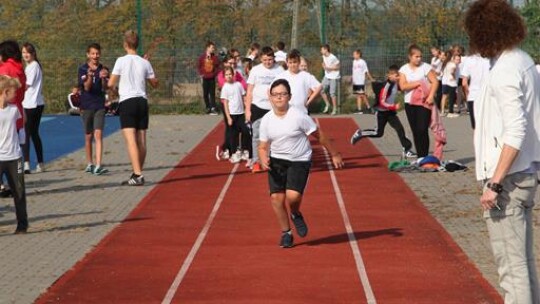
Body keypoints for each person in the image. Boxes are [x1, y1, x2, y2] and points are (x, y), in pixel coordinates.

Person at [465, 1, 540, 303]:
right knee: (522, 263)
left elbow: (516, 129)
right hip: (523, 174)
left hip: (508, 179)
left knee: (511, 268)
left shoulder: (506, 68)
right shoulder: (522, 61)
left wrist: (494, 183)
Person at [258, 79, 344, 248]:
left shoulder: (298, 116)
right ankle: (286, 233)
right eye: (276, 95)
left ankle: (296, 213)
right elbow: (262, 146)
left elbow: (319, 136)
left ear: (289, 97)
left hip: (299, 159)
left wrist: (334, 154)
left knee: (293, 196)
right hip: (277, 160)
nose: (279, 98)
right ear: (271, 97)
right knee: (276, 198)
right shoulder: (266, 120)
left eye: (283, 94)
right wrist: (262, 157)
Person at [108, 30, 158, 186]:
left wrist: (114, 90)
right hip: (142, 101)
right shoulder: (145, 62)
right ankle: (137, 173)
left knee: (131, 140)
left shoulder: (121, 61)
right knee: (141, 140)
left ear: (125, 44)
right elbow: (155, 83)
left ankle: (138, 174)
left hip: (127, 101)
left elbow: (111, 83)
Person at [350, 65, 416, 158]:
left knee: (400, 129)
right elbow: (382, 102)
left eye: (399, 75)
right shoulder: (386, 86)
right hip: (381, 112)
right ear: (390, 76)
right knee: (378, 133)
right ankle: (361, 133)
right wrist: (393, 106)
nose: (398, 77)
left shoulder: (396, 84)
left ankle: (406, 149)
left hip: (390, 113)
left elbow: (405, 87)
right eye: (396, 76)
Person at [245, 46, 284, 173]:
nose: (268, 62)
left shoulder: (279, 70)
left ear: (274, 59)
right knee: (256, 135)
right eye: (265, 60)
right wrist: (248, 110)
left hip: (274, 107)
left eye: (270, 60)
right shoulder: (255, 71)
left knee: (275, 136)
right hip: (258, 107)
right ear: (261, 59)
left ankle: (272, 161)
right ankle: (256, 162)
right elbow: (249, 91)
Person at [398, 44, 439, 158]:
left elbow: (435, 82)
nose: (419, 59)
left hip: (424, 102)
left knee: (422, 128)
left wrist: (431, 96)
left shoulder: (425, 67)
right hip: (410, 103)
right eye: (416, 56)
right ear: (410, 57)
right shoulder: (404, 69)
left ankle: (424, 155)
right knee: (415, 130)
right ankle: (420, 157)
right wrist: (418, 83)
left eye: (420, 56)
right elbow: (403, 86)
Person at [0, 75, 29, 234]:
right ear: (5, 92)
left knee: (19, 191)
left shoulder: (14, 110)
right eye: (13, 93)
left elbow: (22, 121)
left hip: (15, 157)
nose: (16, 96)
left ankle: (22, 225)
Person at [78, 43, 109, 175]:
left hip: (99, 105)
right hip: (86, 105)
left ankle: (98, 164)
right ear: (88, 55)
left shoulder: (104, 69)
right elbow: (86, 88)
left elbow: (105, 88)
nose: (95, 56)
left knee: (98, 134)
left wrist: (103, 79)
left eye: (97, 53)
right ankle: (90, 163)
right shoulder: (82, 69)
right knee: (88, 136)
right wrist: (90, 76)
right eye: (93, 53)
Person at [21, 43, 45, 174]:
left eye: (27, 52)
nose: (25, 55)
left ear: (33, 54)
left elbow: (26, 85)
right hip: (34, 103)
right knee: (34, 133)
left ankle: (26, 164)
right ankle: (40, 163)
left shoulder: (33, 66)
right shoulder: (30, 66)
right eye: (23, 52)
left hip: (31, 104)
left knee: (26, 134)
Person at [274, 49, 322, 114]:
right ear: (287, 63)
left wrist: (309, 101)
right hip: (286, 113)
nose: (293, 65)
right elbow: (270, 91)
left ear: (299, 63)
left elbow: (319, 87)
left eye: (294, 62)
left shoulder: (306, 76)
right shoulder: (281, 76)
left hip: (302, 112)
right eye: (290, 62)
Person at [220, 66, 251, 163]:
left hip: (241, 113)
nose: (228, 76)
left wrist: (247, 110)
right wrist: (228, 117)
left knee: (246, 131)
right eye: (226, 75)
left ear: (234, 75)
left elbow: (244, 97)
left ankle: (245, 150)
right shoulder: (225, 87)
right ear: (224, 76)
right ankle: (233, 153)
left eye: (230, 74)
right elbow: (225, 103)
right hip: (232, 114)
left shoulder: (238, 85)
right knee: (233, 135)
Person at [460, 53, 489, 130]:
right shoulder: (490, 58)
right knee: (488, 125)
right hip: (488, 95)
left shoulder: (469, 60)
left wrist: (467, 94)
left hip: (473, 95)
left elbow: (464, 82)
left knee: (476, 127)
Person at [197, 41, 219, 115]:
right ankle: (208, 107)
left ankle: (213, 107)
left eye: (214, 48)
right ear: (208, 48)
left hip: (212, 78)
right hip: (205, 78)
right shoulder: (202, 57)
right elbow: (199, 66)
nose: (213, 49)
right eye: (212, 47)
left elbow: (217, 67)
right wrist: (201, 74)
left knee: (212, 93)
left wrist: (214, 74)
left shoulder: (215, 57)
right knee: (205, 94)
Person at [351, 49, 375, 114]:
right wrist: (353, 79)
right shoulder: (354, 62)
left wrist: (371, 79)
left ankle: (369, 108)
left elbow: (366, 71)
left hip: (360, 81)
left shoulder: (362, 62)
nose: (353, 55)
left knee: (362, 95)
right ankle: (359, 110)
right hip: (355, 81)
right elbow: (353, 71)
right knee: (358, 95)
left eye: (354, 54)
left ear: (358, 54)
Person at [320, 44, 340, 115]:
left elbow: (338, 67)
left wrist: (329, 68)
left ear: (326, 49)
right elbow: (324, 64)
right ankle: (327, 104)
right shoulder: (323, 56)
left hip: (334, 77)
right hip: (327, 76)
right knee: (320, 90)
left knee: (332, 93)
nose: (321, 51)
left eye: (322, 49)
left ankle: (335, 109)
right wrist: (324, 66)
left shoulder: (333, 57)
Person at [441, 51, 461, 118]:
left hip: (445, 82)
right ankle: (450, 112)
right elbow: (452, 71)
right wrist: (454, 77)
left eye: (459, 59)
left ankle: (442, 111)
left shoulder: (447, 63)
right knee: (451, 98)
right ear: (453, 58)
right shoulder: (454, 65)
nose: (458, 61)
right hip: (451, 83)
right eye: (457, 59)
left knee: (444, 97)